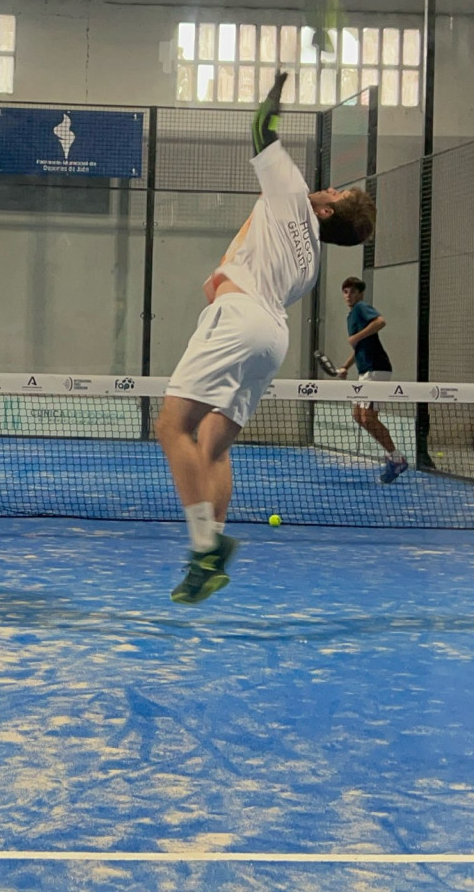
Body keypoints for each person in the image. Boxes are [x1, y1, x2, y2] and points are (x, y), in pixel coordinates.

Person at [157, 73, 374, 604]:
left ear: (326, 210)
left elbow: (260, 130)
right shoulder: (311, 263)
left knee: (172, 426)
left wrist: (275, 94)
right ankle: (210, 558)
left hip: (240, 317)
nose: (330, 187)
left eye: (337, 192)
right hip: (273, 336)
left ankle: (204, 548)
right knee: (213, 444)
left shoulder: (293, 195)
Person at [325, 277, 408, 483]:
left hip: (377, 369)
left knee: (368, 417)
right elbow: (359, 347)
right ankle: (394, 457)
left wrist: (357, 336)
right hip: (365, 371)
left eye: (353, 292)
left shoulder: (361, 308)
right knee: (358, 416)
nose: (348, 296)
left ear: (360, 294)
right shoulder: (351, 316)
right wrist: (346, 367)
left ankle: (397, 459)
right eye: (345, 292)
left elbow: (380, 322)